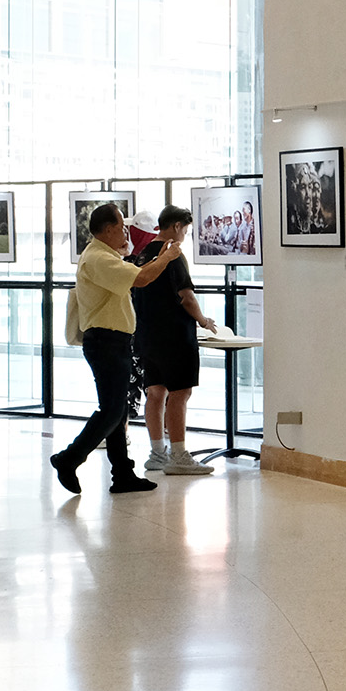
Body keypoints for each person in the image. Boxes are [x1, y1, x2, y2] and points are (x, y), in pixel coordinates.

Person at [52, 201, 182, 496]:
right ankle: (68, 458)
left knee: (118, 411)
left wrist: (159, 257)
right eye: (122, 226)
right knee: (112, 410)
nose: (126, 231)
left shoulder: (106, 255)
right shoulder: (99, 258)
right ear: (109, 229)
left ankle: (122, 473)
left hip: (113, 341)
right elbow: (143, 278)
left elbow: (138, 275)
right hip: (105, 341)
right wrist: (169, 257)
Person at [132, 206, 222, 476]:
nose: (185, 235)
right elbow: (186, 297)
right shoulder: (173, 255)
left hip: (148, 333)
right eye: (186, 229)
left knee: (155, 391)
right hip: (174, 335)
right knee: (180, 393)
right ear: (176, 226)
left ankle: (157, 452)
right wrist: (203, 320)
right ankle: (179, 454)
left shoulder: (143, 255)